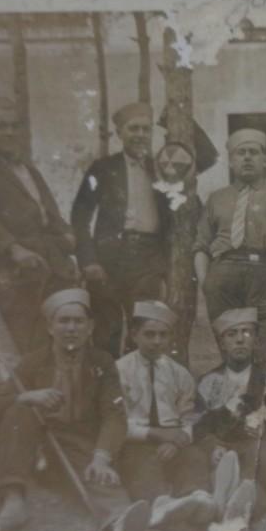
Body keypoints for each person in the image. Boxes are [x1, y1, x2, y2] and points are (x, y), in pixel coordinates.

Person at [0, 288, 149, 531]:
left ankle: (117, 521)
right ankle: (13, 501)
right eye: (63, 321)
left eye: (78, 321)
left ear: (90, 327)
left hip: (79, 442)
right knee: (19, 412)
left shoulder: (102, 363)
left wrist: (101, 457)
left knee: (97, 471)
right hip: (38, 439)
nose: (71, 328)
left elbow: (114, 415)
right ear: (50, 327)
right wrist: (29, 396)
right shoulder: (33, 362)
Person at [70, 102, 218, 355]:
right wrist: (88, 261)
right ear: (120, 133)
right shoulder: (103, 168)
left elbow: (206, 156)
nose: (140, 135)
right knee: (106, 330)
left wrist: (174, 119)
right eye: (133, 129)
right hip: (108, 258)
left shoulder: (162, 166)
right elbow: (80, 216)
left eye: (145, 130)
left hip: (149, 260)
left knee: (145, 327)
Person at [0, 97, 79, 355]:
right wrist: (14, 249)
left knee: (68, 341)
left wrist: (67, 234)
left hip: (55, 264)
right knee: (33, 345)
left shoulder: (29, 170)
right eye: (0, 126)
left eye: (15, 126)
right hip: (17, 271)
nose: (10, 132)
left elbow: (50, 212)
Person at [194, 128, 266, 375]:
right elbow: (201, 245)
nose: (247, 157)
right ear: (232, 161)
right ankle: (236, 411)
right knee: (232, 355)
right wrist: (206, 283)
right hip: (223, 279)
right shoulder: (217, 198)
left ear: (265, 160)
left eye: (253, 153)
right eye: (240, 153)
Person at [115, 300, 220, 531]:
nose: (156, 341)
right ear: (134, 335)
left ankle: (195, 498)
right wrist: (155, 434)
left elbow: (190, 416)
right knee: (140, 462)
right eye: (149, 334)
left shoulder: (179, 373)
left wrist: (177, 439)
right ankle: (159, 505)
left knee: (193, 456)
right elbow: (115, 421)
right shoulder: (120, 371)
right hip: (137, 441)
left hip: (174, 440)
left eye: (163, 335)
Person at [192, 307, 266, 523]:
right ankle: (223, 498)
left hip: (252, 448)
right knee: (212, 469)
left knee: (258, 481)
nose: (240, 340)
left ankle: (238, 503)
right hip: (220, 449)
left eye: (246, 333)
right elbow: (199, 426)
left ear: (256, 340)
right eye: (232, 335)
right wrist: (213, 446)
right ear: (222, 343)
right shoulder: (208, 381)